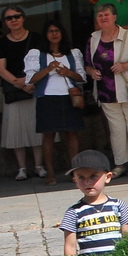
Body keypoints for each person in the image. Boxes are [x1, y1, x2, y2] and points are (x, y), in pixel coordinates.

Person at [85, 1, 128, 180]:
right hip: (106, 92)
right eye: (100, 15)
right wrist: (91, 72)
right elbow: (87, 64)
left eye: (106, 15)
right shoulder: (93, 39)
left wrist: (126, 65)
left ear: (115, 17)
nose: (103, 18)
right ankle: (120, 163)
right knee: (116, 129)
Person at [26, 19, 85, 185]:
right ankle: (50, 172)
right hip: (47, 98)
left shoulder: (72, 53)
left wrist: (68, 72)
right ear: (45, 35)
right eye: (50, 31)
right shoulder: (37, 54)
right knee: (48, 136)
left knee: (72, 134)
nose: (54, 34)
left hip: (69, 97)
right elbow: (31, 80)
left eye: (57, 31)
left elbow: (81, 78)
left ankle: (75, 171)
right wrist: (48, 69)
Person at [57, 149, 128, 256]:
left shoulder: (118, 206)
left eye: (93, 176)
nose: (87, 182)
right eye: (81, 177)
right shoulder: (74, 212)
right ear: (75, 180)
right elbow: (70, 246)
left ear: (108, 177)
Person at [0, 6, 43, 180]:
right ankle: (22, 168)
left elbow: (41, 62)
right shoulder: (2, 42)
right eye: (9, 18)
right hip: (14, 89)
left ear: (23, 18)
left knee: (37, 128)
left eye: (17, 16)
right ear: (5, 22)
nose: (13, 20)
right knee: (16, 130)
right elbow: (1, 69)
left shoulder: (36, 37)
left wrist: (29, 81)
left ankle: (39, 165)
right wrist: (19, 83)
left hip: (34, 86)